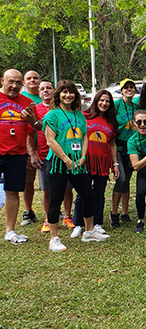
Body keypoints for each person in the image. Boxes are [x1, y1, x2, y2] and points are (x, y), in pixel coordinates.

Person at [44, 80, 110, 251]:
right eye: (64, 92)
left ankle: (89, 232)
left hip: (78, 163)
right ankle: (54, 238)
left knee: (88, 195)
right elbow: (50, 141)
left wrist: (82, 157)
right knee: (56, 199)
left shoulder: (79, 115)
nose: (68, 95)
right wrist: (66, 160)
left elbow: (84, 138)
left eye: (71, 92)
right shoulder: (52, 115)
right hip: (59, 163)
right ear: (58, 94)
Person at [72, 89, 119, 238]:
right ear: (96, 100)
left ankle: (97, 223)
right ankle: (78, 224)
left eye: (107, 101)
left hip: (102, 163)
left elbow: (112, 144)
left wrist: (115, 164)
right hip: (85, 162)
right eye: (101, 100)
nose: (104, 104)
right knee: (82, 194)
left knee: (99, 194)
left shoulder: (111, 122)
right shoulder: (84, 117)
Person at [1, 69, 40, 245]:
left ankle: (10, 231)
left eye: (18, 83)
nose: (15, 86)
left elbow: (38, 127)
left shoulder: (27, 102)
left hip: (17, 154)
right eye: (11, 82)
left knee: (12, 191)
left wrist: (32, 120)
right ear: (3, 81)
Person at [34, 81, 75, 234]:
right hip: (45, 155)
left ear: (55, 91)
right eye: (42, 89)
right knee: (46, 189)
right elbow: (31, 132)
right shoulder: (36, 110)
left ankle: (67, 216)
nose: (46, 91)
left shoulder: (65, 109)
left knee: (67, 188)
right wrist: (32, 153)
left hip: (66, 154)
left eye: (49, 88)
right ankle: (48, 218)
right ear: (39, 92)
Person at [112, 78, 138, 228]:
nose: (129, 89)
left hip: (132, 148)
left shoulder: (136, 107)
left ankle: (125, 212)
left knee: (127, 180)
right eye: (126, 88)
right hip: (118, 146)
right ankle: (114, 213)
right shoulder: (116, 105)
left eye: (131, 87)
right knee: (121, 179)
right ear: (121, 91)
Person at [20, 70, 41, 226]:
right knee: (29, 181)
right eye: (29, 78)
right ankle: (28, 211)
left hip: (47, 145)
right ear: (24, 82)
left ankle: (55, 210)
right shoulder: (22, 99)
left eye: (35, 78)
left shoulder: (46, 98)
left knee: (50, 182)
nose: (33, 80)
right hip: (28, 146)